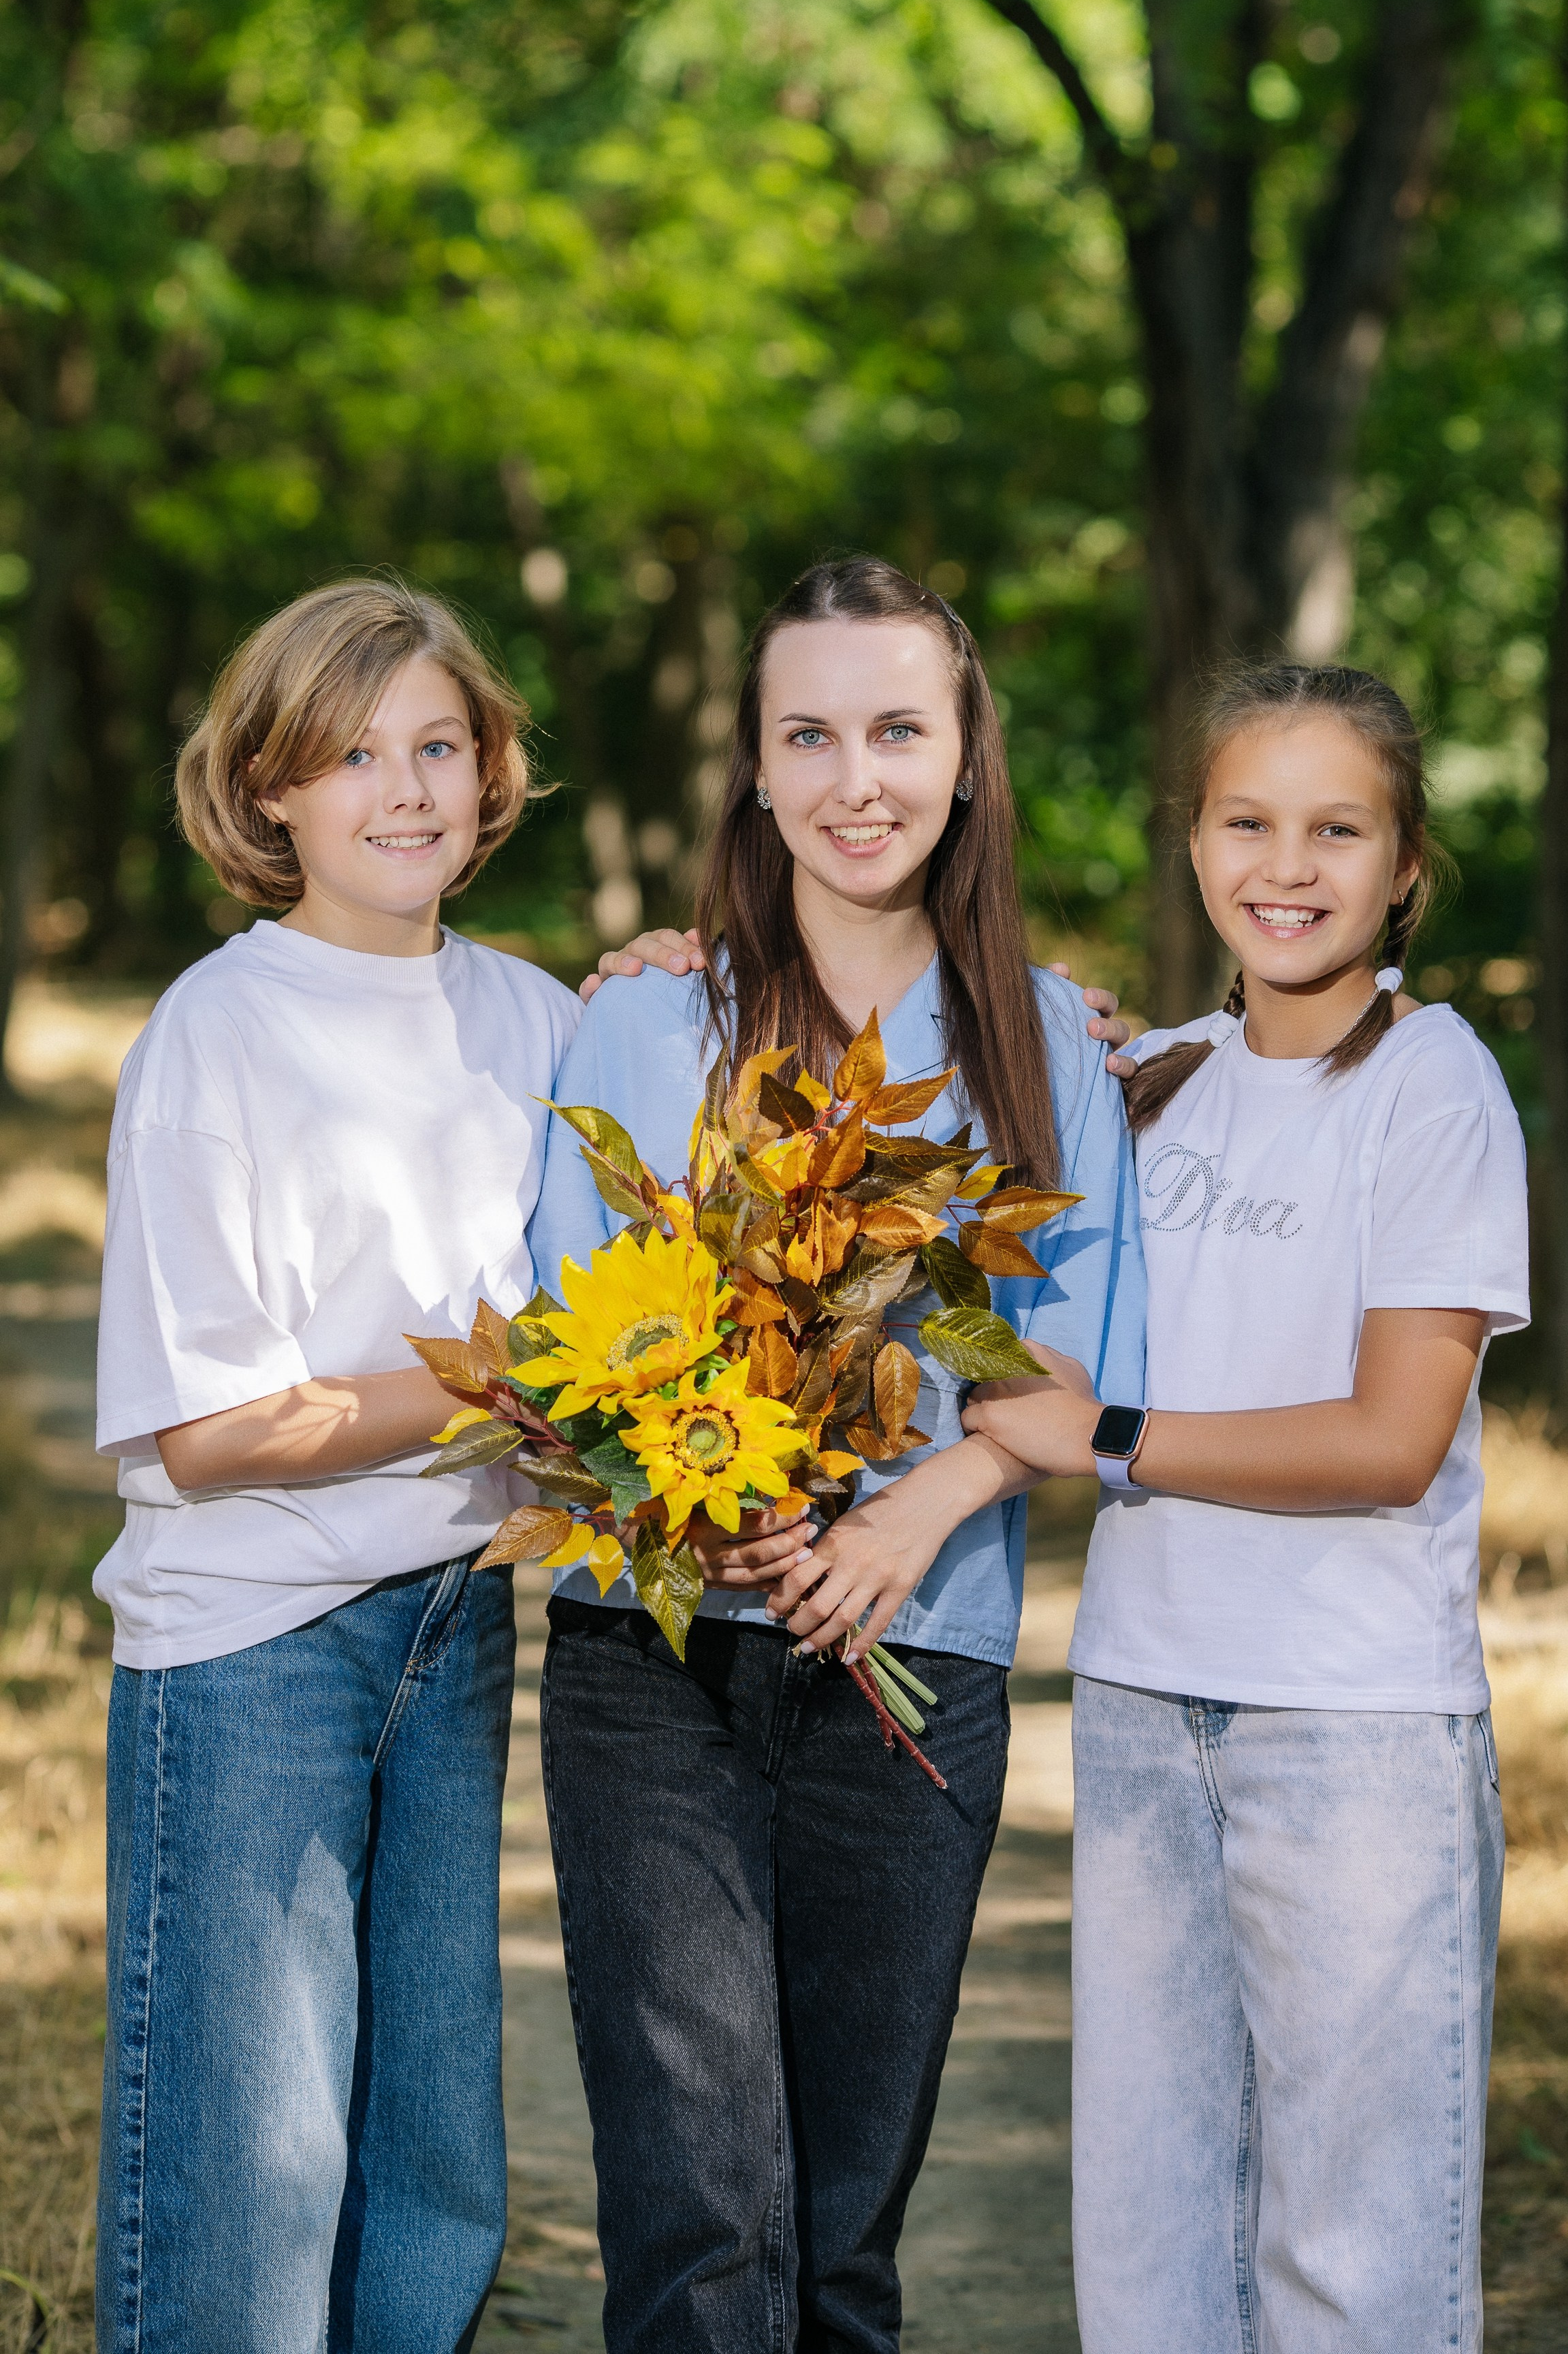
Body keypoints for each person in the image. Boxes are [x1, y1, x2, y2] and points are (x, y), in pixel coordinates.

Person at [528, 555, 1146, 2353]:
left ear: (964, 758)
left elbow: (1071, 1359)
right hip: (651, 1665)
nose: (853, 777)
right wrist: (700, 1493)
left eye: (895, 730)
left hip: (917, 1655)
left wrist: (913, 1509)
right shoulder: (644, 1020)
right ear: (751, 764)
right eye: (806, 733)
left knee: (842, 2244)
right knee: (702, 2229)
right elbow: (573, 1332)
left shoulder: (1048, 1041)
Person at [962, 662, 1529, 2354]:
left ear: (1402, 862)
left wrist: (1108, 1434)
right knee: (1150, 2243)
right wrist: (678, 967)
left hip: (1351, 1729)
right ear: (1195, 841)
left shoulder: (1432, 1083)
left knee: (1355, 2255)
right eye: (1246, 821)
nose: (1286, 866)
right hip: (1141, 1700)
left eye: (1335, 830)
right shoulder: (1152, 1076)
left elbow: (1388, 1439)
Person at [93, 581, 586, 2353]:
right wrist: (492, 1384)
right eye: (353, 753)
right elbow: (210, 1431)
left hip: (452, 1616)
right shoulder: (220, 1030)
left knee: (429, 2150)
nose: (406, 788)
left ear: (491, 770)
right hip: (254, 1647)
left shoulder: (538, 1020)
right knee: (252, 2160)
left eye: (439, 745)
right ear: (269, 790)